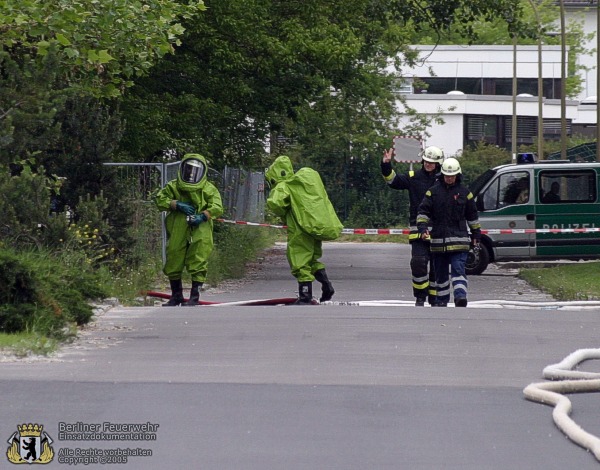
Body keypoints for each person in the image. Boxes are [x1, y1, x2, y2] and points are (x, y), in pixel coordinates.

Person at [265, 155, 343, 304]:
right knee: (312, 259)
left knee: (299, 261)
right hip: (313, 227)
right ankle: (326, 284)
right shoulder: (301, 184)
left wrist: (282, 208)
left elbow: (275, 204)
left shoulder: (285, 186)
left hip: (299, 230)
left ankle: (305, 296)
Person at [155, 153, 223, 306]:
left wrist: (204, 215)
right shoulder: (174, 186)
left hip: (200, 227)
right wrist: (176, 204)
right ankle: (176, 295)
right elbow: (159, 199)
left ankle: (194, 297)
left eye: (195, 170)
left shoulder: (208, 189)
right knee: (174, 255)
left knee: (198, 257)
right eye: (189, 169)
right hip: (178, 225)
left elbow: (217, 206)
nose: (192, 174)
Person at [381, 145, 444, 306]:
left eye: (432, 162)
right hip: (418, 230)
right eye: (426, 161)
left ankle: (434, 297)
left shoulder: (444, 180)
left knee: (437, 266)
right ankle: (420, 296)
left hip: (438, 230)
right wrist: (386, 164)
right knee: (419, 262)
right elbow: (393, 181)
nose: (428, 164)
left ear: (438, 164)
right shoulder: (413, 176)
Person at [416, 157, 481, 307]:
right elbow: (423, 212)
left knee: (458, 270)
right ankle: (442, 302)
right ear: (442, 175)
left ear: (457, 175)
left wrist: (476, 234)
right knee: (441, 275)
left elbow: (472, 216)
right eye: (447, 176)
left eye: (452, 176)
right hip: (438, 242)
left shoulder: (465, 193)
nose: (449, 178)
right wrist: (423, 228)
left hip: (460, 242)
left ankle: (460, 298)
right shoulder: (433, 192)